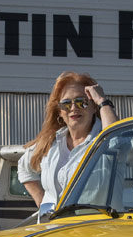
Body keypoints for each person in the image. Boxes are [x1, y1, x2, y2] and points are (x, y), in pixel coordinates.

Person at [18, 71, 119, 217]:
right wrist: (42, 202)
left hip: (95, 229)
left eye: (82, 102)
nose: (73, 108)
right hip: (53, 228)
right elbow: (24, 167)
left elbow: (116, 140)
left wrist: (103, 102)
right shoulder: (50, 142)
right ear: (59, 111)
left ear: (94, 106)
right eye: (66, 104)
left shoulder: (103, 140)